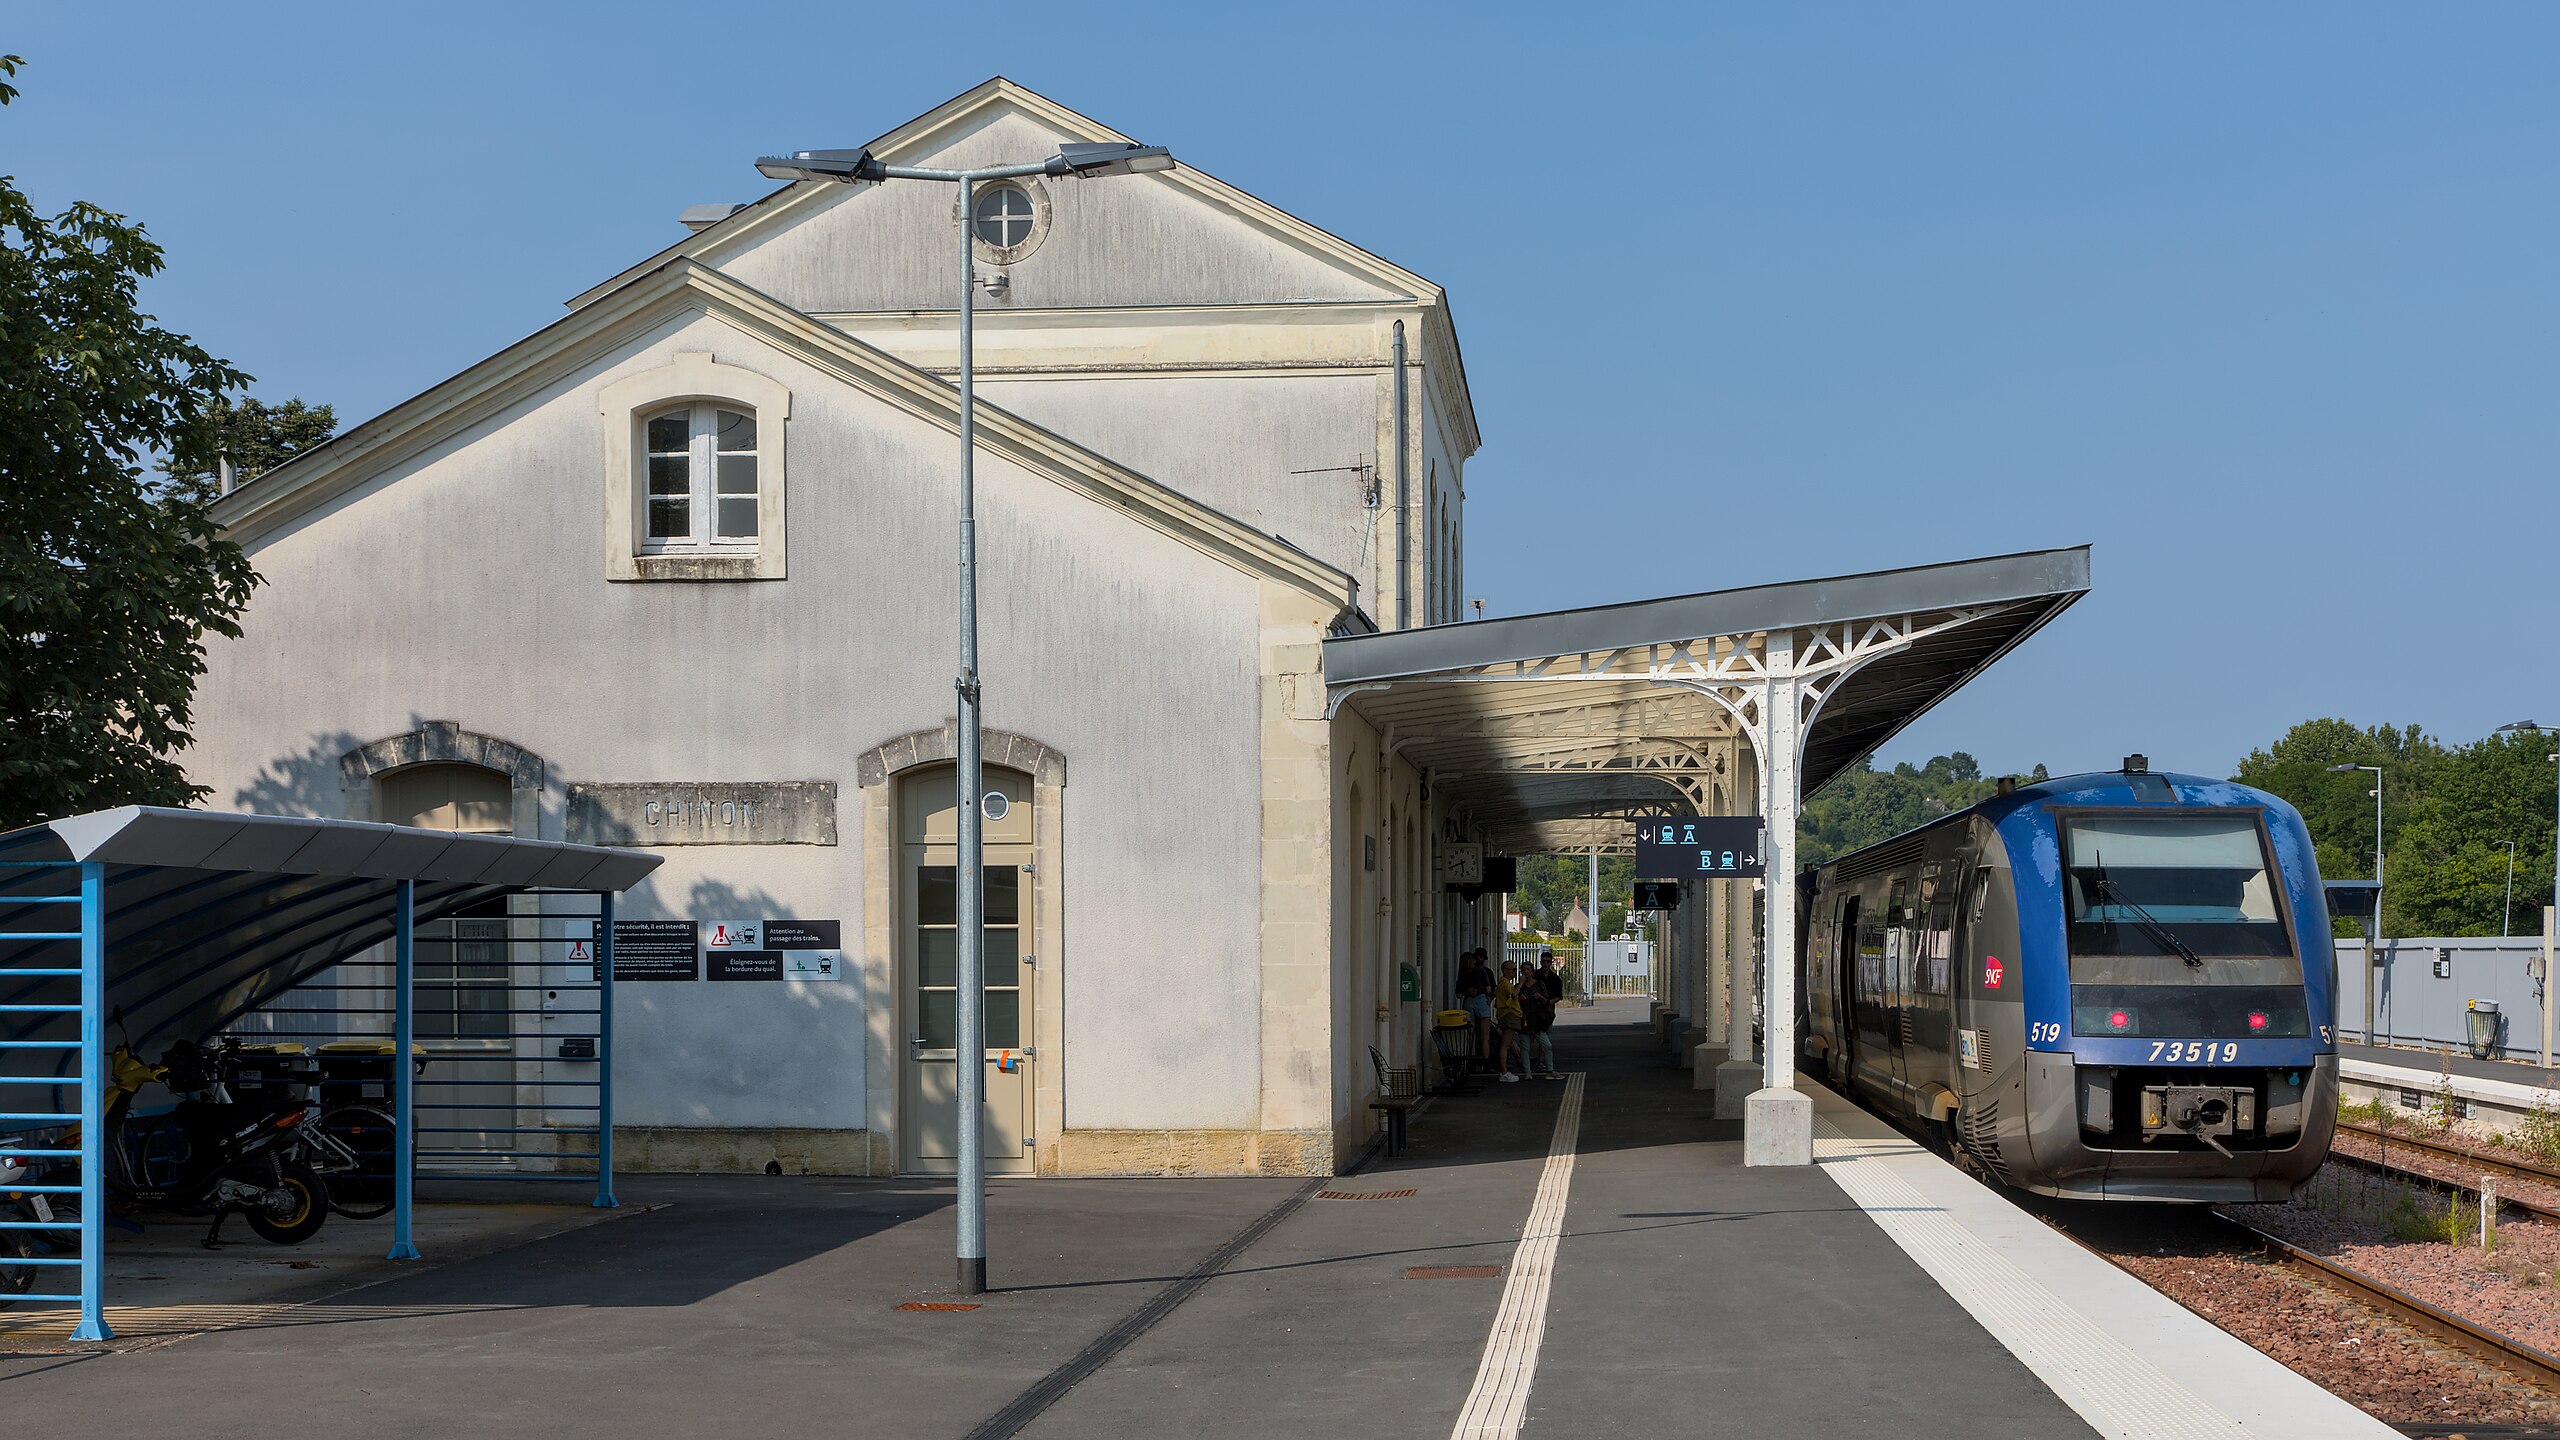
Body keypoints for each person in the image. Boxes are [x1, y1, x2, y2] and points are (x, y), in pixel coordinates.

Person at [1456, 948, 1497, 1071]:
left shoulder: (1462, 974)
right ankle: (1485, 1062)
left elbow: (1458, 994)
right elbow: (1489, 989)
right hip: (1481, 1000)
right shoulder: (1481, 971)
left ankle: (1471, 1062)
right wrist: (1481, 991)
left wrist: (1467, 991)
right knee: (1485, 1036)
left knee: (1471, 1035)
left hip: (1468, 1001)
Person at [1493, 959, 1527, 1082]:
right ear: (1505, 970)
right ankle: (1504, 1072)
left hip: (1506, 1014)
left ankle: (1516, 1062)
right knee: (1505, 1045)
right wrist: (1521, 983)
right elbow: (1513, 994)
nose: (1514, 972)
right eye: (1512, 970)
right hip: (1509, 1014)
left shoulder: (1504, 983)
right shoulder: (1505, 983)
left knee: (1509, 1043)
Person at [1522, 968, 1559, 1078]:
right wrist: (1520, 986)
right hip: (1524, 1019)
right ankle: (1527, 1072)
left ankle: (1550, 1069)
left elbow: (1547, 1001)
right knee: (1525, 1047)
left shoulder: (1539, 984)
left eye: (1528, 969)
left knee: (1547, 1045)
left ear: (1532, 972)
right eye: (1524, 970)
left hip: (1537, 1020)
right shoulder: (1519, 987)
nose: (1526, 972)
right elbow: (1514, 997)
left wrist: (1540, 997)